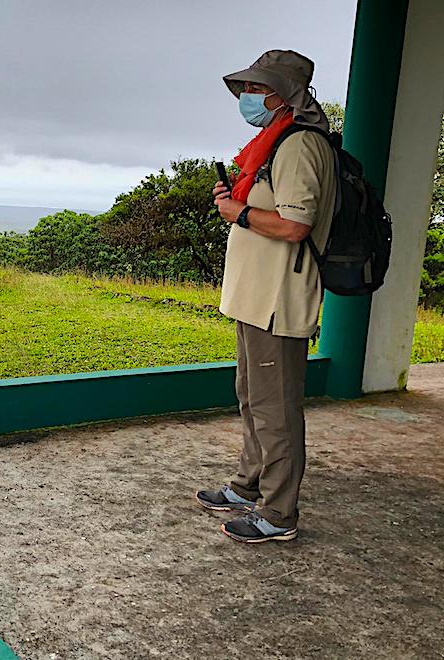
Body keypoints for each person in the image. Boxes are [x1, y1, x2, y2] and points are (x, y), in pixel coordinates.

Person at [196, 50, 336, 543]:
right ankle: (248, 484)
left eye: (258, 89)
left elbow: (295, 225)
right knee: (253, 397)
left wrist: (237, 212)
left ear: (285, 94)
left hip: (278, 301)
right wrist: (236, 200)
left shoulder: (300, 145)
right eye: (247, 90)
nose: (248, 97)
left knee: (276, 409)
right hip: (255, 299)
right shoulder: (273, 143)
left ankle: (279, 513)